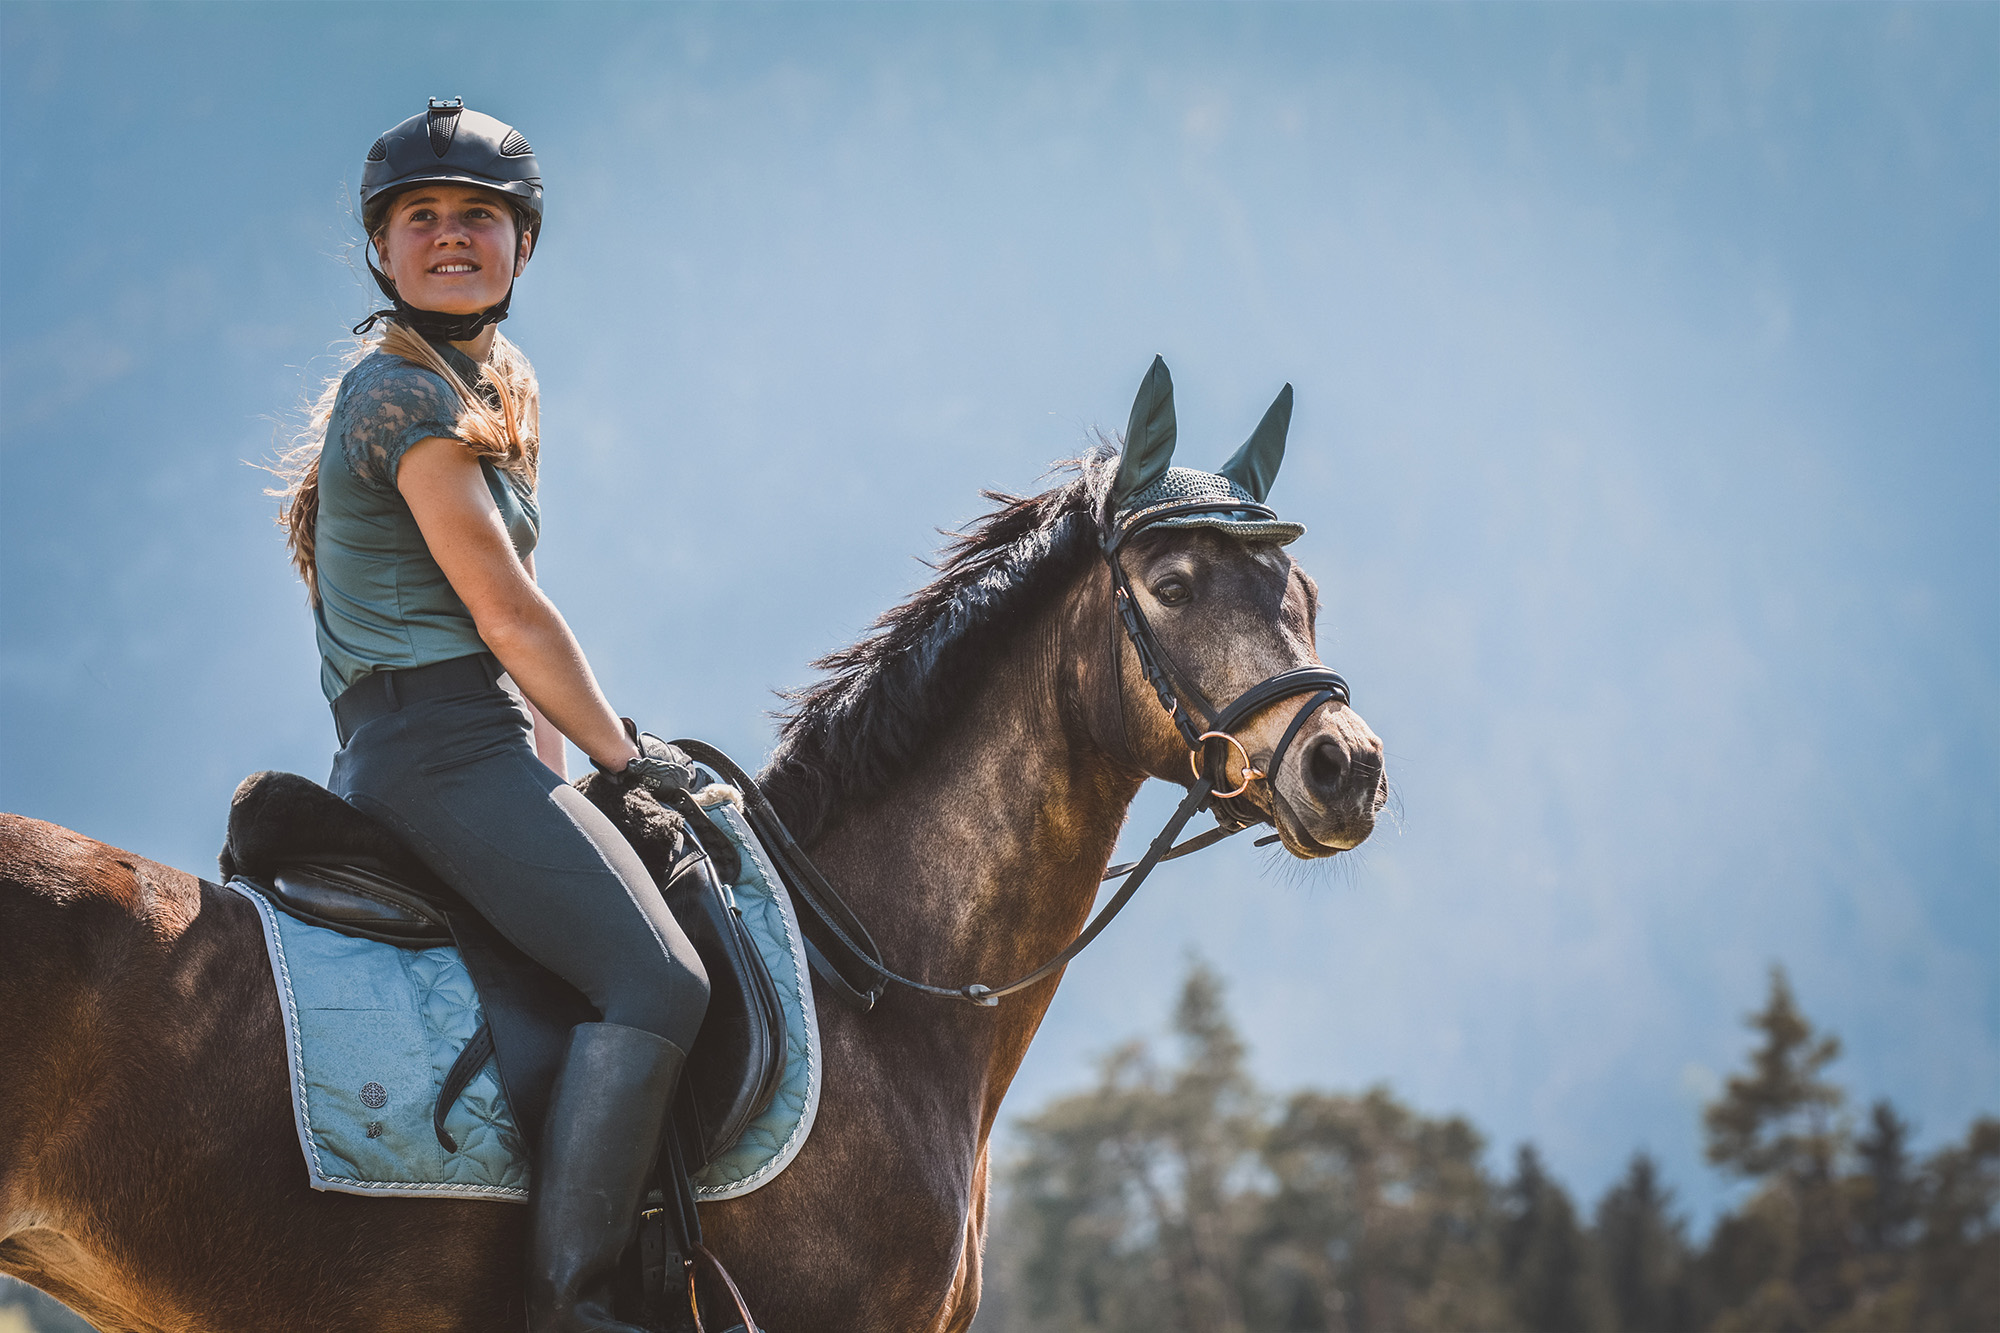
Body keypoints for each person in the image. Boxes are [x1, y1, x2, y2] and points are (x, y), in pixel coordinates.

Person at [275, 98, 709, 1333]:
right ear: (381, 248)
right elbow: (510, 617)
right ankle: (571, 1306)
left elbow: (505, 648)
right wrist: (638, 762)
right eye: (422, 217)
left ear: (521, 245)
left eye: (478, 215)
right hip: (437, 750)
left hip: (461, 746)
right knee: (659, 980)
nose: (450, 235)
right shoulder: (397, 398)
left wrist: (572, 779)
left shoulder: (488, 384)